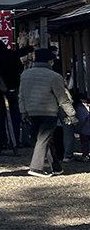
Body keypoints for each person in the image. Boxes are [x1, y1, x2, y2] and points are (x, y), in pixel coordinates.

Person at [19, 47, 75, 178]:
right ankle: (36, 167)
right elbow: (62, 97)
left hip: (31, 111)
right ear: (50, 61)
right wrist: (71, 113)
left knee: (45, 140)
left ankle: (56, 167)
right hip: (48, 111)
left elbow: (21, 95)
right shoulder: (55, 76)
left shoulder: (25, 75)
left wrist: (23, 111)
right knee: (43, 139)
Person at [72, 90, 90, 162]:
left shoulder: (80, 108)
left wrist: (77, 127)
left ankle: (85, 155)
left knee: (85, 143)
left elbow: (82, 119)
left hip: (85, 129)